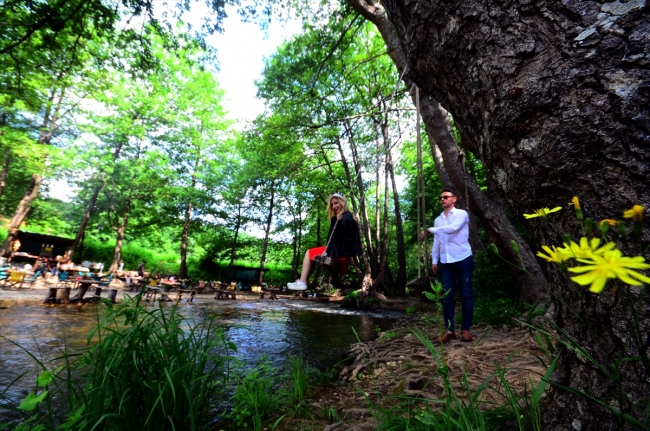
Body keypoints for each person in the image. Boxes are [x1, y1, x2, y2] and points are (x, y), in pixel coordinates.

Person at [419, 189, 474, 342]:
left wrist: (429, 230)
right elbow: (437, 242)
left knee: (466, 295)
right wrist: (434, 260)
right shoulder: (438, 220)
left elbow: (453, 229)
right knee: (447, 297)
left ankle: (466, 330)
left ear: (454, 199)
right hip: (445, 261)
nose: (442, 199)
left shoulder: (461, 214)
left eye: (445, 197)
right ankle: (449, 331)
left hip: (463, 257)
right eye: (440, 197)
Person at [287, 193, 362, 290]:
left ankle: (302, 282)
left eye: (336, 203)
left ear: (343, 203)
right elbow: (336, 238)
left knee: (309, 252)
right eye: (332, 205)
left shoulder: (346, 216)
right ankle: (302, 281)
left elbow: (343, 237)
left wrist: (329, 251)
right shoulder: (341, 217)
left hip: (340, 255)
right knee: (311, 255)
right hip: (338, 252)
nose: (334, 206)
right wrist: (327, 250)